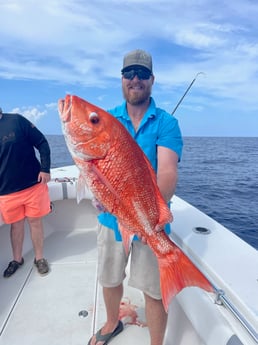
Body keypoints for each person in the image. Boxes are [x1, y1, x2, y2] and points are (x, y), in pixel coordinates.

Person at [88, 49, 183, 345]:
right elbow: (96, 167)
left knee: (154, 291)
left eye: (142, 74)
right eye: (129, 73)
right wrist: (97, 192)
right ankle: (111, 323)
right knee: (109, 278)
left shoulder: (166, 123)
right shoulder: (105, 120)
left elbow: (166, 172)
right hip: (110, 219)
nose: (135, 79)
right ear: (122, 79)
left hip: (151, 223)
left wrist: (146, 218)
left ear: (152, 80)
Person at [0, 107, 51, 277]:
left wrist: (45, 169)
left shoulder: (16, 120)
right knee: (16, 226)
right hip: (6, 192)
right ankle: (16, 259)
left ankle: (39, 258)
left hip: (33, 185)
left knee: (35, 222)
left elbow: (42, 142)